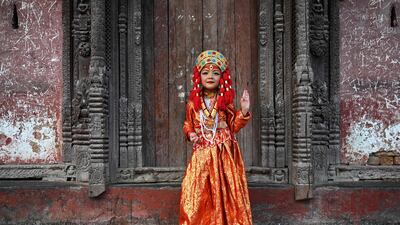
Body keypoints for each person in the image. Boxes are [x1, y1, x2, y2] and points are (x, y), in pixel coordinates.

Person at [179, 50, 253, 225]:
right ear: (199, 77)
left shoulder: (225, 102)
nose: (210, 76)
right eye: (205, 72)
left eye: (215, 73)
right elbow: (187, 124)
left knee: (226, 191)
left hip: (223, 153)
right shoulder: (193, 104)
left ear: (222, 77)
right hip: (202, 153)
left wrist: (243, 110)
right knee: (195, 192)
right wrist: (190, 133)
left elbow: (234, 126)